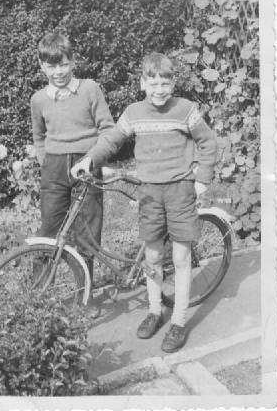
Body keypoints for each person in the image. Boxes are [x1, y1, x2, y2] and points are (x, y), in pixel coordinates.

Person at [71, 52, 217, 352]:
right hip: (149, 192)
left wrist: (202, 177)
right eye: (153, 83)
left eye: (165, 82)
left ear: (173, 82)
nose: (160, 89)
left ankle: (178, 320)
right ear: (142, 83)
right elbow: (112, 139)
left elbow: (208, 141)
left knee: (180, 258)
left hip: (180, 191)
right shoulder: (134, 112)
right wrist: (90, 159)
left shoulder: (185, 110)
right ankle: (154, 310)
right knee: (151, 257)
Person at [30, 32, 116, 317]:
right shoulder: (39, 99)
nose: (58, 72)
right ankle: (38, 301)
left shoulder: (90, 89)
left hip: (87, 166)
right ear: (42, 66)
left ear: (73, 61)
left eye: (64, 65)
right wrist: (46, 162)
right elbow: (39, 136)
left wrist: (92, 159)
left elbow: (108, 129)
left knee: (86, 233)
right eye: (52, 66)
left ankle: (85, 298)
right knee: (48, 233)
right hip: (54, 169)